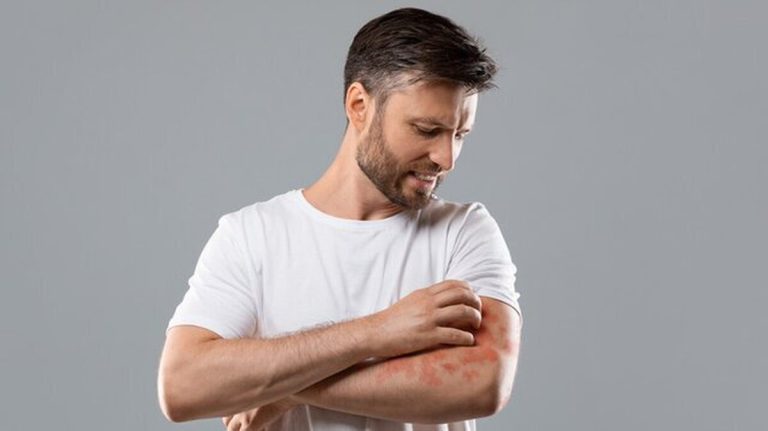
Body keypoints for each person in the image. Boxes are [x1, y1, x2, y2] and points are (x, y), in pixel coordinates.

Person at [158, 7, 523, 431]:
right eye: (427, 130)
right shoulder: (251, 236)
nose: (446, 158)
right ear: (359, 105)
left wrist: (284, 388)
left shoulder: (464, 232)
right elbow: (182, 386)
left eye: (460, 135)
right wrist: (378, 331)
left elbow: (482, 384)